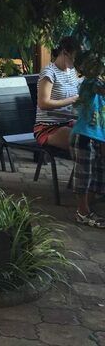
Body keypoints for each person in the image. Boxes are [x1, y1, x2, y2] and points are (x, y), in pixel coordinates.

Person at [69, 55, 105, 228]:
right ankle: (82, 212)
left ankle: (88, 208)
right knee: (84, 175)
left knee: (96, 175)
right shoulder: (90, 83)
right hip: (84, 136)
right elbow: (100, 88)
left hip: (98, 137)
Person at [34, 36, 80, 151]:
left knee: (96, 134)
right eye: (75, 57)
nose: (77, 62)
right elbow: (43, 103)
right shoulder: (49, 72)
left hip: (68, 122)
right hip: (48, 127)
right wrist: (72, 100)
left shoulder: (72, 71)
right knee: (82, 140)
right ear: (65, 53)